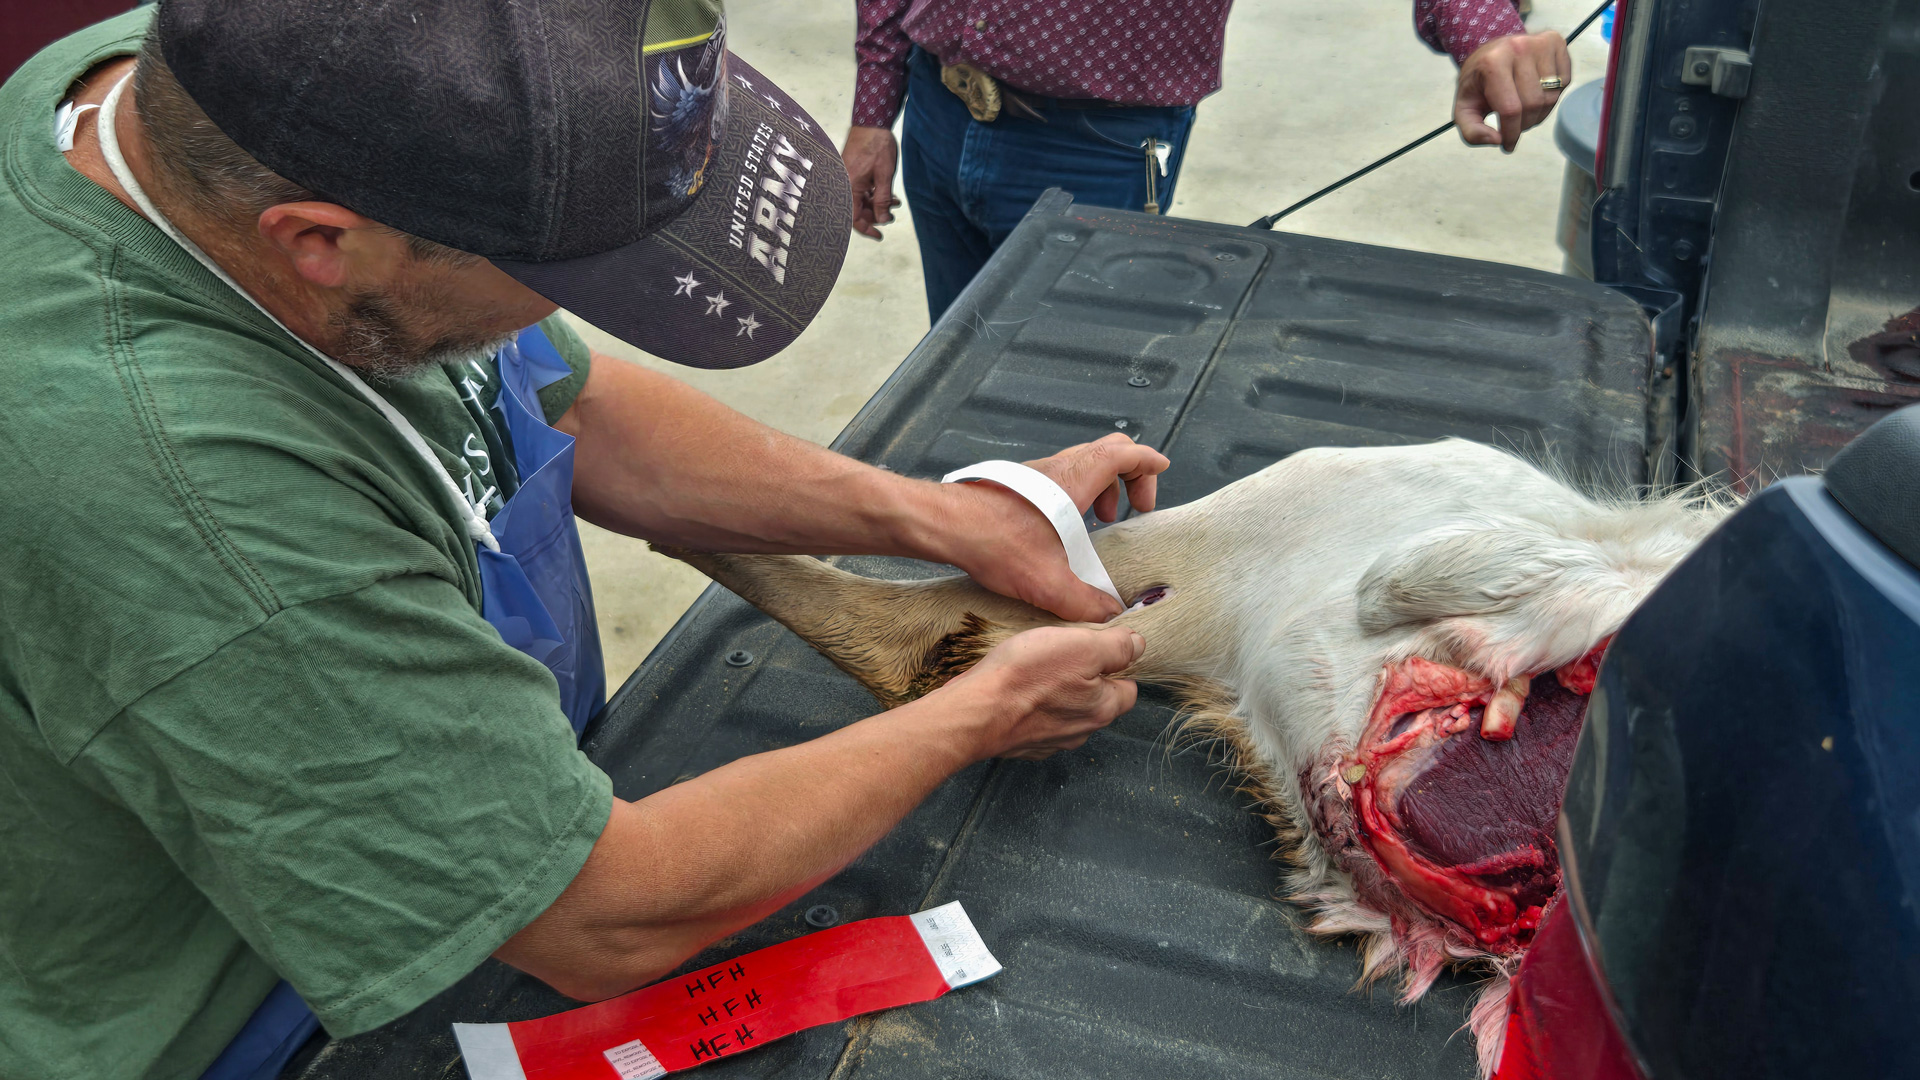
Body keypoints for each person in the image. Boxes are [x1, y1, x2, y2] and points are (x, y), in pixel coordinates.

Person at [0, 3, 1171, 1078]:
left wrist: (938, 516)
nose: (592, 306)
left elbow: (562, 398)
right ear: (320, 242)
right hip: (248, 1013)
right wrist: (979, 710)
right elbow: (597, 913)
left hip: (455, 803)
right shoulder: (186, 500)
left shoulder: (227, 80)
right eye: (571, 273)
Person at [845, 0, 1575, 320]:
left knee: (1070, 414)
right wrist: (872, 111)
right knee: (959, 367)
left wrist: (1486, 29)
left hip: (1097, 144)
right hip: (937, 107)